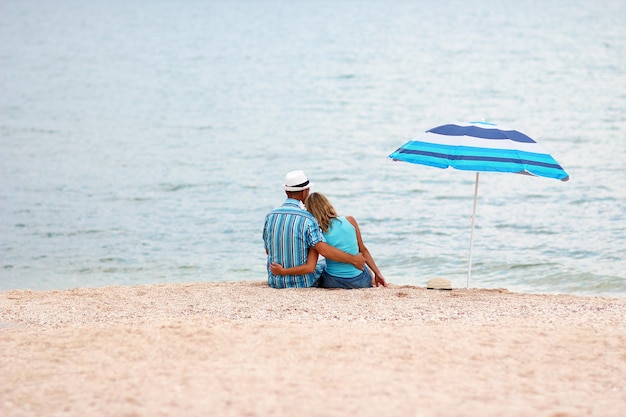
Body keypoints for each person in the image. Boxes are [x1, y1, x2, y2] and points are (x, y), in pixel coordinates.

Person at [263, 170, 366, 288]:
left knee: (322, 263)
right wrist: (354, 259)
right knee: (323, 265)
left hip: (275, 281)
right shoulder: (308, 219)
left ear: (286, 191)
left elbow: (268, 251)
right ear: (304, 193)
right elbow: (324, 251)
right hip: (302, 282)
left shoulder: (270, 216)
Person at [271, 192, 387, 289]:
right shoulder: (350, 220)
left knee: (322, 264)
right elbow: (363, 249)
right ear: (327, 204)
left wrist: (283, 271)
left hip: (332, 282)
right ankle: (371, 278)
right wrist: (378, 273)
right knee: (365, 269)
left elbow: (311, 265)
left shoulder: (316, 233)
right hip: (358, 281)